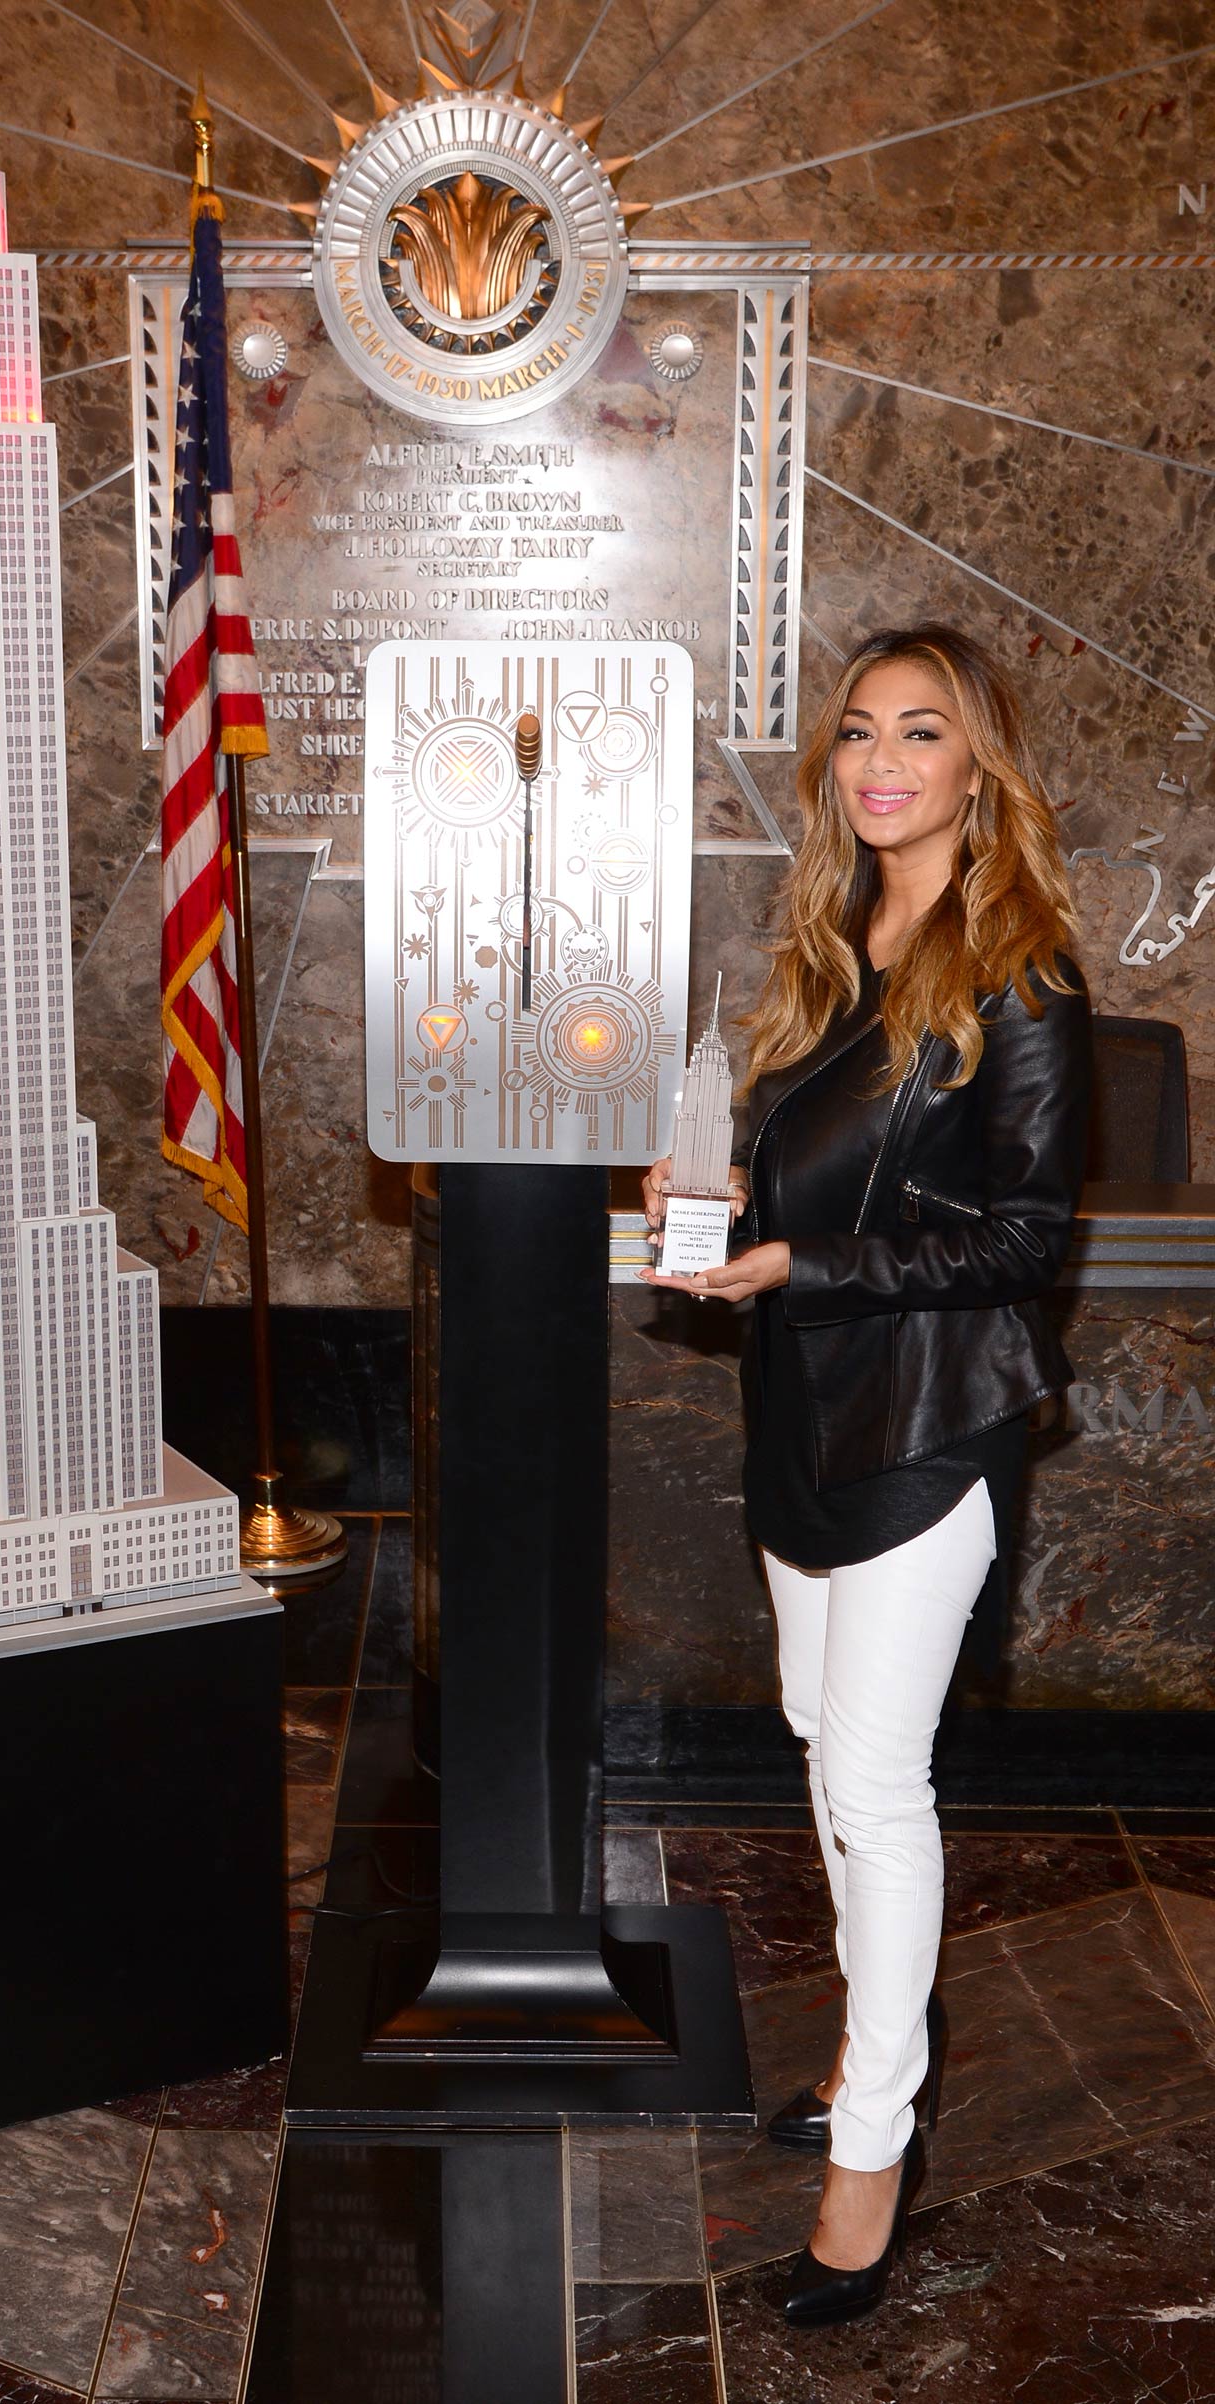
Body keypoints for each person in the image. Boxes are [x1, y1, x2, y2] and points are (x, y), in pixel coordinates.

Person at [640, 622, 1092, 2328]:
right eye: (857, 734)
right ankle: (867, 2044)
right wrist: (727, 1232)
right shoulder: (836, 937)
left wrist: (796, 1273)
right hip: (803, 1419)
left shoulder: (1021, 966)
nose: (882, 761)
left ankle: (872, 2157)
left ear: (982, 764)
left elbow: (1025, 1240)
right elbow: (812, 1186)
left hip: (925, 1430)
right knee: (826, 1748)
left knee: (880, 1793)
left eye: (922, 732)